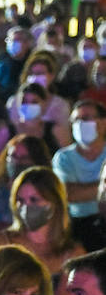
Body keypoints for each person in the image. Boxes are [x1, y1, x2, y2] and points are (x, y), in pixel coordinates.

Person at [0, 167, 84, 295]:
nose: (26, 207)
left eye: (34, 200)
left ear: (54, 203)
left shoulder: (72, 252)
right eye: (20, 200)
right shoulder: (0, 242)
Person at [53, 100, 106, 252]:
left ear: (103, 123)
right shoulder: (63, 157)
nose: (80, 124)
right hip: (78, 224)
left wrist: (84, 191)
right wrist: (102, 188)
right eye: (76, 120)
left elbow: (77, 193)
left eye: (87, 118)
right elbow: (68, 194)